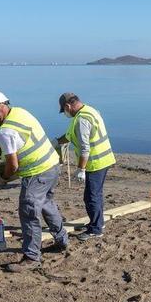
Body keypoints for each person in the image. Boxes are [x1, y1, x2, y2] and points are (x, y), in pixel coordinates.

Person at [0, 90, 69, 272]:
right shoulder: (20, 112)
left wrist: (2, 179)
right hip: (52, 164)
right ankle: (62, 240)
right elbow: (14, 141)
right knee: (46, 204)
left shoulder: (5, 131)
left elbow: (12, 165)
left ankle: (31, 257)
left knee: (28, 213)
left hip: (37, 173)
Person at [56, 92, 116, 241]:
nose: (65, 113)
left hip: (96, 163)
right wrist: (58, 141)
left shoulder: (81, 119)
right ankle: (98, 223)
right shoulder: (89, 110)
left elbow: (85, 148)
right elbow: (71, 134)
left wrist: (81, 169)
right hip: (105, 159)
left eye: (64, 110)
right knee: (96, 194)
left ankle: (95, 230)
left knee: (91, 197)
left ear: (68, 106)